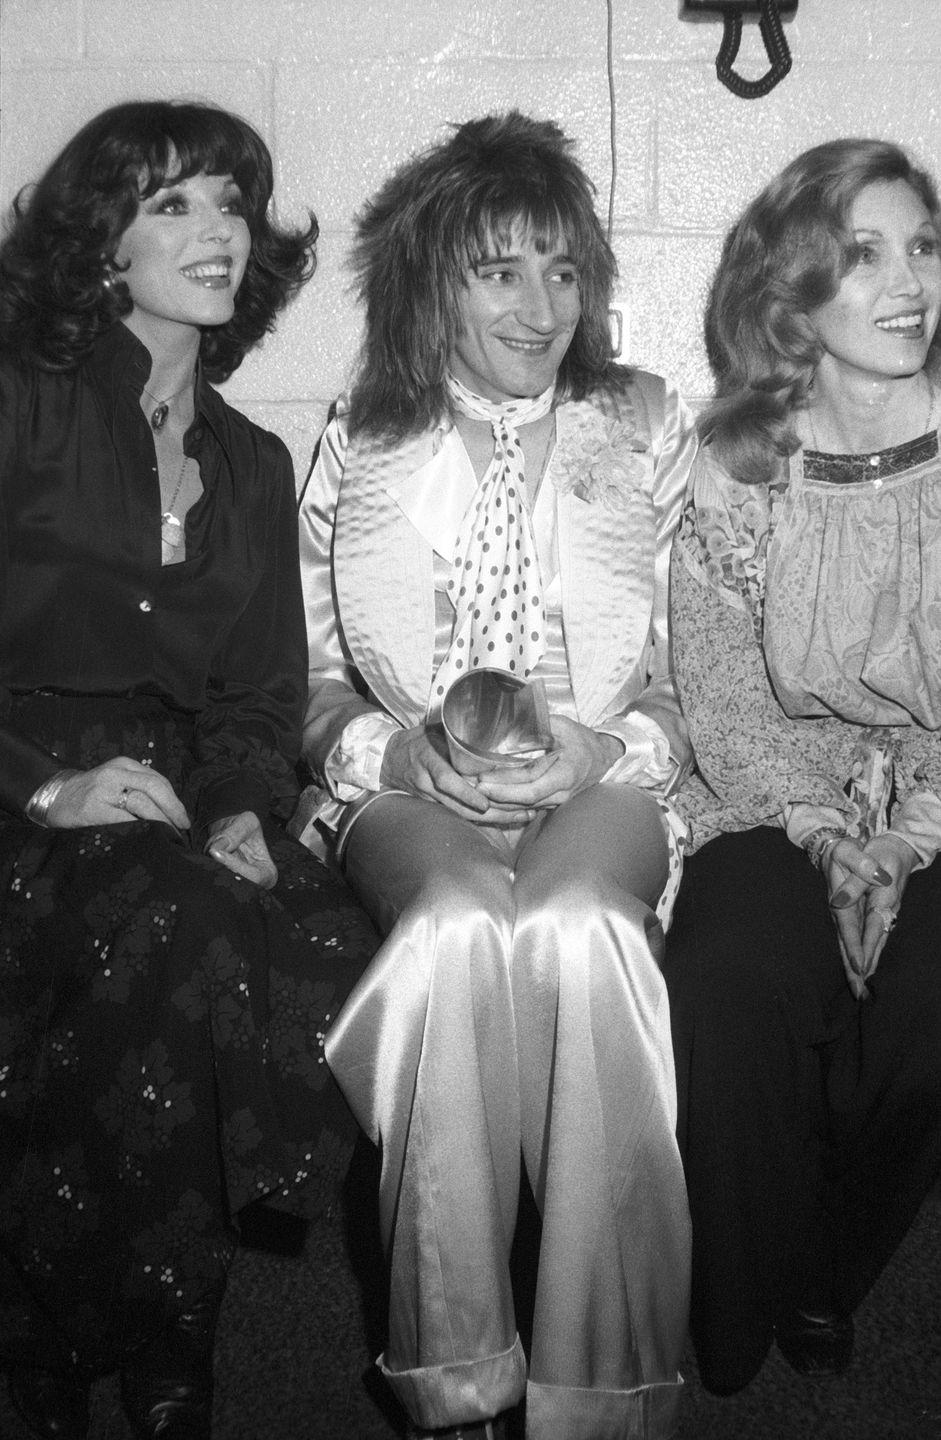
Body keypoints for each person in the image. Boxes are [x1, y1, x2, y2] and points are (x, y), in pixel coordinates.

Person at [295, 112, 697, 1440]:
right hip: (411, 788)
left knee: (583, 933)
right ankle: (457, 1374)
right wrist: (390, 749)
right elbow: (307, 678)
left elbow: (701, 676)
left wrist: (607, 750)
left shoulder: (641, 421)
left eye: (562, 268)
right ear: (434, 283)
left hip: (601, 775)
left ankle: (602, 1386)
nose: (539, 305)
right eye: (498, 270)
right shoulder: (362, 429)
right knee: (458, 927)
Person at [0, 100, 377, 1440]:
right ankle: (151, 1356)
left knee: (341, 947)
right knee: (179, 926)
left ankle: (63, 1331)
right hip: (24, 782)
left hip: (174, 800)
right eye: (173, 204)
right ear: (97, 240)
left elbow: (261, 696)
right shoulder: (19, 403)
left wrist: (238, 813)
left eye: (231, 201)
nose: (216, 231)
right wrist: (43, 786)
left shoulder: (253, 462)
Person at [663, 137, 941, 1397]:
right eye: (863, 254)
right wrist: (828, 832)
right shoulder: (739, 464)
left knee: (921, 1025)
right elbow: (719, 692)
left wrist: (904, 834)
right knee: (725, 980)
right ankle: (734, 1291)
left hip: (937, 802)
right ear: (794, 290)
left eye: (922, 247)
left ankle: (830, 1260)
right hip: (776, 793)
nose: (907, 284)